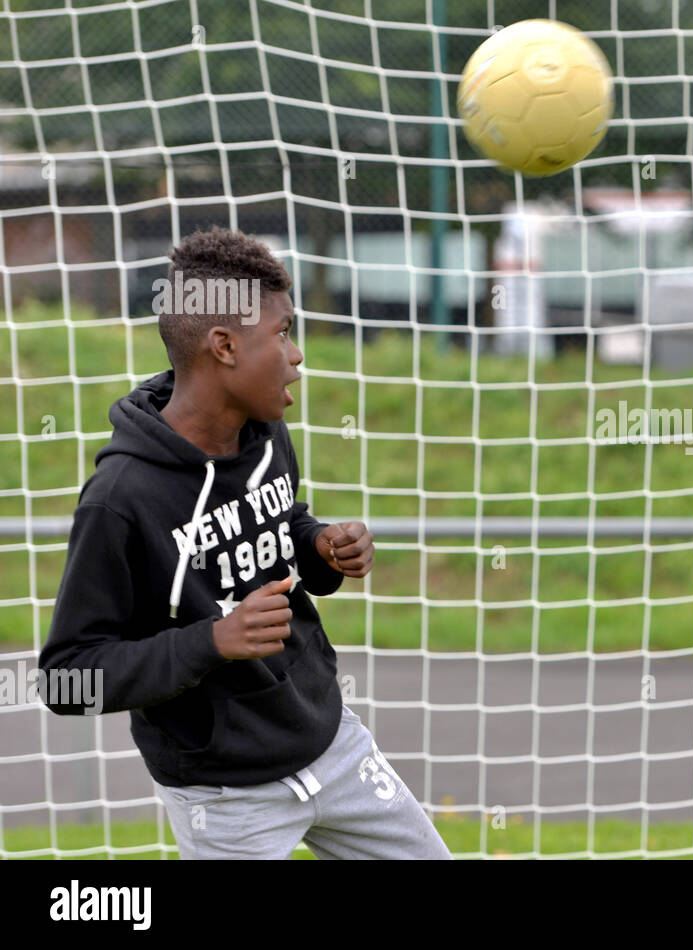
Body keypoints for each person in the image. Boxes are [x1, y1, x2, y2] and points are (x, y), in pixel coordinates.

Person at [39, 225, 452, 860]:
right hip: (226, 798)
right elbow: (67, 679)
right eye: (282, 332)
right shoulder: (119, 499)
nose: (297, 354)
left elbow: (283, 524)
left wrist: (320, 548)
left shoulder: (263, 435)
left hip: (332, 745)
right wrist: (212, 641)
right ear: (225, 346)